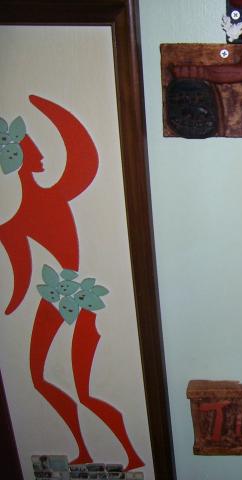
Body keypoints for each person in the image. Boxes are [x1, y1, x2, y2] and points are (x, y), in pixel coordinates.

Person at [0, 95, 143, 470]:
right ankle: (85, 449)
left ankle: (129, 454)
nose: (41, 156)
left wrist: (15, 300)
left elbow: (84, 160)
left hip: (77, 300)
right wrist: (13, 304)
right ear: (18, 159)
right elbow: (19, 281)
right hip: (55, 300)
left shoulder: (40, 206)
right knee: (41, 378)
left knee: (84, 390)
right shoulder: (17, 221)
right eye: (33, 149)